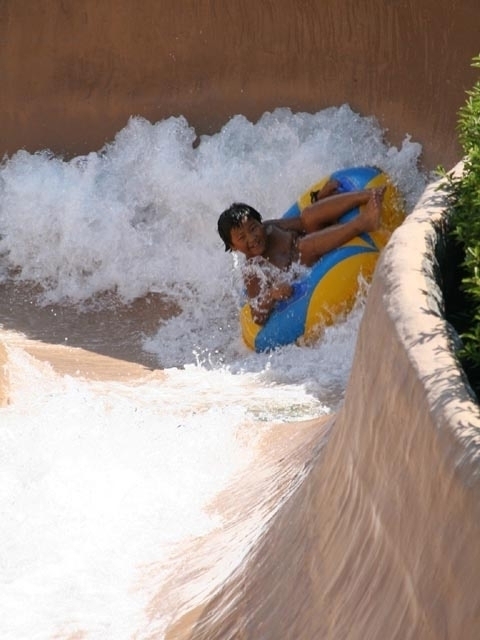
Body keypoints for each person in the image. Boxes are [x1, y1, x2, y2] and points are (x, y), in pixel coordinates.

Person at [217, 181, 385, 325]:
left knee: (308, 215)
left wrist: (320, 200)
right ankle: (363, 223)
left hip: (315, 244)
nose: (252, 237)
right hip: (304, 271)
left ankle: (368, 195)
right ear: (233, 247)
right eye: (242, 237)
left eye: (253, 228)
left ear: (260, 223)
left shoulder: (271, 228)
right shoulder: (252, 270)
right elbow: (257, 314)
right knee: (305, 246)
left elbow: (303, 223)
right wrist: (273, 294)